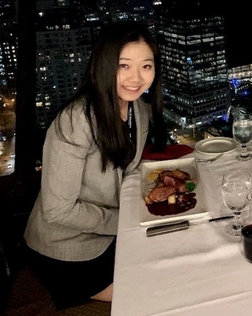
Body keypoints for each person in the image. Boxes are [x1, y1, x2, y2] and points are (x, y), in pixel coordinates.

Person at [23, 21, 166, 309]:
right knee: (151, 294)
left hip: (111, 236)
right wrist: (124, 223)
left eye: (146, 66)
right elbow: (57, 210)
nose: (135, 78)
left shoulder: (138, 108)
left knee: (167, 260)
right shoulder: (77, 120)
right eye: (124, 65)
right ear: (104, 65)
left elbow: (129, 169)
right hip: (67, 250)